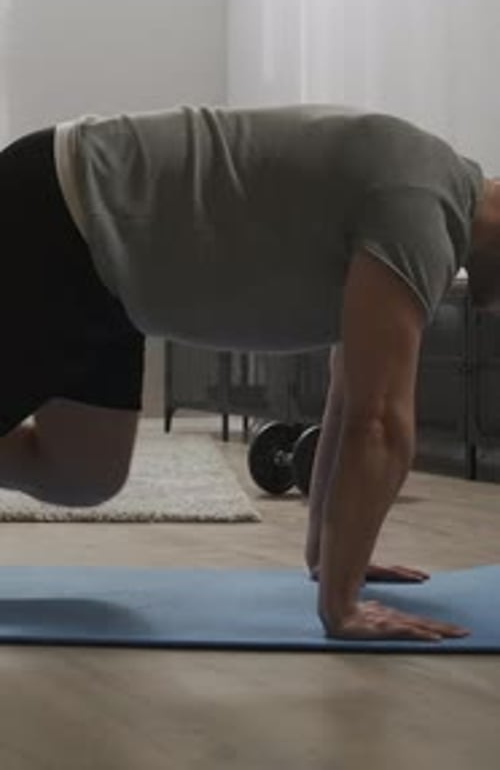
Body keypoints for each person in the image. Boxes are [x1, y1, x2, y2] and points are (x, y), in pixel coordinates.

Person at [0, 103, 495, 641]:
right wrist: (341, 609)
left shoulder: (427, 202)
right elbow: (378, 426)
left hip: (114, 280)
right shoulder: (422, 209)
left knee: (84, 471)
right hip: (59, 213)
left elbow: (351, 396)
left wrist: (329, 563)